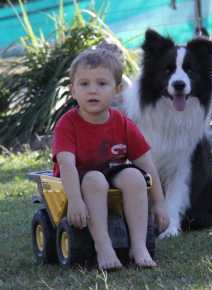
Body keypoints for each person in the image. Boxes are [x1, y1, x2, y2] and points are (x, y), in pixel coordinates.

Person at [52, 42, 169, 270]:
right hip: (79, 177)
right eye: (84, 84)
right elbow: (66, 165)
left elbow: (147, 164)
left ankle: (138, 246)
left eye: (102, 83)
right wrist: (74, 200)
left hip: (111, 171)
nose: (92, 90)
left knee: (136, 177)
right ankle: (103, 246)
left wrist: (160, 203)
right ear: (73, 90)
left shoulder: (123, 124)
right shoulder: (67, 124)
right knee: (95, 179)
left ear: (117, 90)